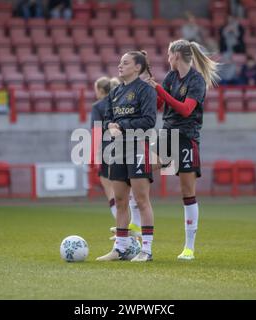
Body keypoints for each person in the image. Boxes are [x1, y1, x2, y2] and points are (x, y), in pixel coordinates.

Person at [145, 39, 219, 260]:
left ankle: (189, 247)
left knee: (187, 192)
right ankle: (135, 231)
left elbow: (186, 110)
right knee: (139, 170)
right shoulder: (170, 77)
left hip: (187, 137)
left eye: (169, 55)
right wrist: (148, 91)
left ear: (176, 55)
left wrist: (159, 89)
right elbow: (160, 105)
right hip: (167, 134)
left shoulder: (196, 80)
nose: (167, 59)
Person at [96, 51, 157, 262]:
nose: (119, 66)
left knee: (141, 200)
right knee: (120, 199)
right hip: (117, 149)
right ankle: (119, 248)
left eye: (125, 62)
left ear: (137, 67)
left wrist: (121, 126)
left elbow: (149, 120)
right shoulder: (114, 93)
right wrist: (110, 126)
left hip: (138, 147)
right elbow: (107, 120)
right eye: (120, 62)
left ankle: (146, 251)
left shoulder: (145, 90)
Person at [90, 76, 143, 239]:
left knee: (112, 192)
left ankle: (123, 229)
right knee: (131, 190)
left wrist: (94, 157)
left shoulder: (98, 106)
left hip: (108, 149)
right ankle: (133, 225)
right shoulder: (120, 101)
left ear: (100, 90)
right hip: (129, 146)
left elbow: (97, 131)